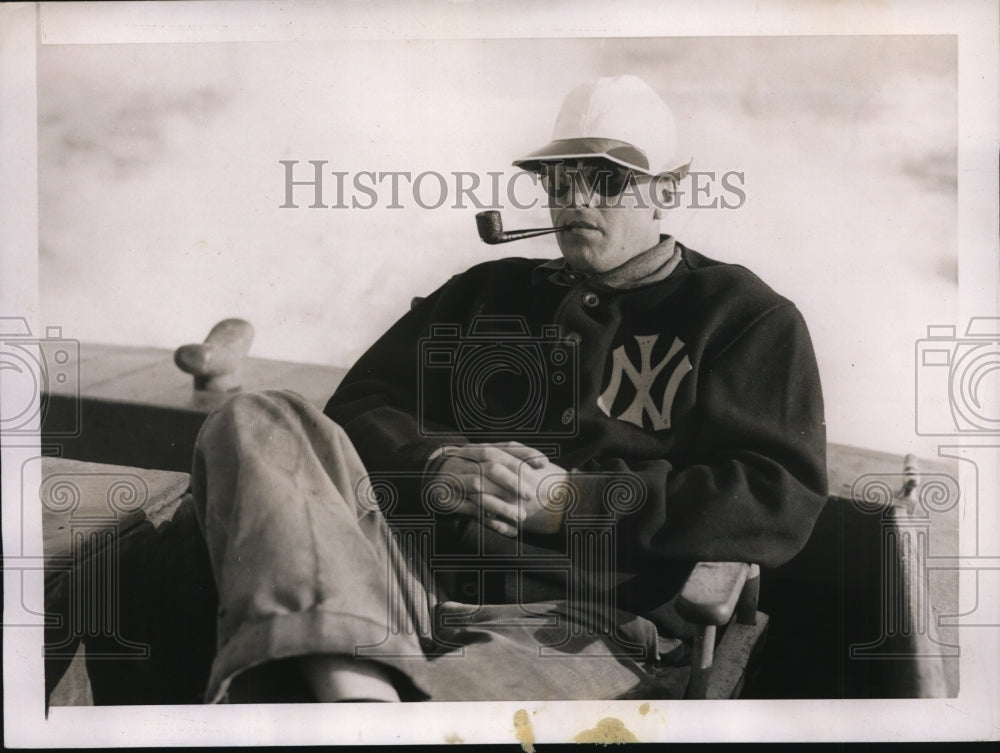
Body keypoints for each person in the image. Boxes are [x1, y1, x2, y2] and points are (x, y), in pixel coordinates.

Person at [192, 74, 828, 703]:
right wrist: (437, 463)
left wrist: (572, 499)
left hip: (579, 625)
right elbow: (356, 409)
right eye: (558, 178)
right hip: (404, 581)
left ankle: (359, 692)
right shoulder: (484, 293)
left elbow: (775, 493)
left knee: (434, 706)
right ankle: (361, 695)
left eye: (604, 178)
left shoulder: (742, 317)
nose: (575, 196)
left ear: (666, 191)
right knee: (258, 418)